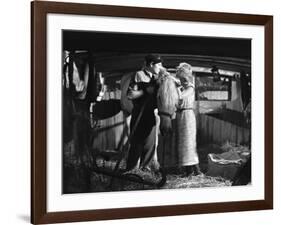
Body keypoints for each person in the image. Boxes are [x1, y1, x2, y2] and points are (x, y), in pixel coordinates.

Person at [125, 54, 163, 171]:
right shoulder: (138, 75)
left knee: (150, 146)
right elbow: (130, 95)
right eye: (159, 65)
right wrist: (145, 91)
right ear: (151, 64)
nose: (161, 67)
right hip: (139, 115)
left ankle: (145, 171)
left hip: (151, 115)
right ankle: (130, 173)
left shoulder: (157, 78)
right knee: (137, 145)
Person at [175, 63, 202, 176]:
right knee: (183, 143)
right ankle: (188, 170)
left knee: (189, 143)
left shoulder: (190, 87)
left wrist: (174, 88)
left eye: (182, 78)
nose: (181, 80)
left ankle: (195, 170)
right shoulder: (182, 88)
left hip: (187, 115)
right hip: (181, 115)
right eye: (180, 78)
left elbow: (180, 97)